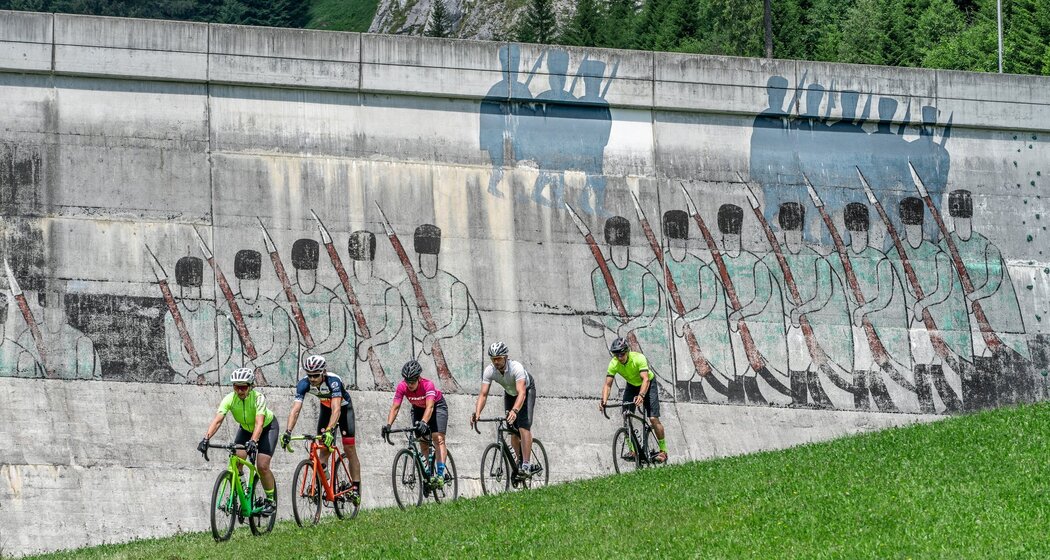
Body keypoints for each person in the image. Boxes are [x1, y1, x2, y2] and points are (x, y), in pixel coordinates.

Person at [197, 367, 279, 515]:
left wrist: (254, 441)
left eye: (243, 387)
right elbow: (218, 420)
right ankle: (243, 491)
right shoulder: (229, 399)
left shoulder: (258, 398)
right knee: (237, 460)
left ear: (250, 386)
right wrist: (206, 438)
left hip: (267, 428)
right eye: (236, 387)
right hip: (246, 429)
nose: (240, 391)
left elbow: (259, 423)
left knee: (262, 465)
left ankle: (270, 501)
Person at [280, 355, 361, 503]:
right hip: (326, 409)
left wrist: (330, 430)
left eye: (316, 375)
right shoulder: (303, 384)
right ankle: (321, 483)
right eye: (309, 375)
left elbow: (336, 409)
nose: (312, 379)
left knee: (349, 448)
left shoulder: (333, 381)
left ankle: (355, 488)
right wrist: (288, 431)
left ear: (323, 372)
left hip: (343, 410)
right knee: (323, 449)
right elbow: (295, 410)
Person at [470, 341, 541, 476]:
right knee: (512, 430)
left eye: (499, 358)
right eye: (493, 359)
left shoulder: (516, 368)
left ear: (506, 357)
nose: (496, 362)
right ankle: (518, 462)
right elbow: (483, 394)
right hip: (510, 393)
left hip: (526, 391)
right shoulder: (490, 370)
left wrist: (515, 411)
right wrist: (477, 412)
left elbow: (522, 393)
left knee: (523, 426)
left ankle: (526, 464)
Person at [599, 337, 667, 463]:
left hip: (648, 383)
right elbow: (608, 385)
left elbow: (645, 379)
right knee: (626, 416)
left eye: (621, 354)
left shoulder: (638, 358)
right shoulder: (614, 363)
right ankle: (633, 451)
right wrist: (603, 401)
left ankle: (663, 451)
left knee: (653, 418)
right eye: (616, 354)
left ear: (627, 351)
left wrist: (641, 395)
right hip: (632, 385)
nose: (619, 357)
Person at [383, 360, 451, 484]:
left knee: (438, 438)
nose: (409, 384)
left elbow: (430, 406)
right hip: (418, 409)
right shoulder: (402, 387)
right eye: (407, 381)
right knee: (422, 442)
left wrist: (424, 422)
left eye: (412, 381)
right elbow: (395, 407)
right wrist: (388, 425)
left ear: (419, 378)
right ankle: (429, 475)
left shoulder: (427, 385)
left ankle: (440, 474)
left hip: (437, 407)